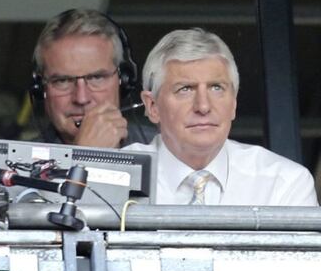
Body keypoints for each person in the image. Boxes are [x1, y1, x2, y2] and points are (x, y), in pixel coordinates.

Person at [125, 28, 318, 206]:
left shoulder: (283, 182)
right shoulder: (116, 177)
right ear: (152, 106)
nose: (203, 106)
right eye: (185, 89)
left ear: (233, 103)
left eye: (216, 88)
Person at [31, 8, 155, 148]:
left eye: (96, 78)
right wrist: (85, 156)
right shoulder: (12, 165)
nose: (81, 98)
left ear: (123, 80)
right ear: (40, 88)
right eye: (63, 81)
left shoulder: (170, 152)